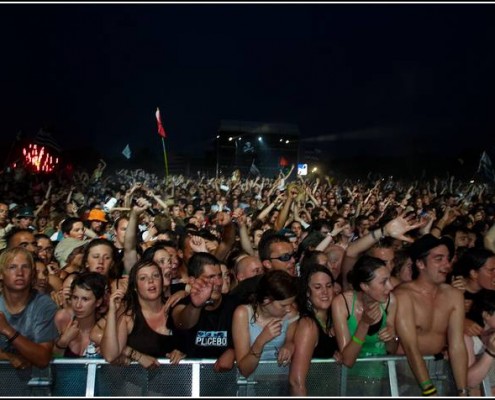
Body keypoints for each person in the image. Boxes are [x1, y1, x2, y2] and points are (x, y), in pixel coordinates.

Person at [394, 234, 468, 396]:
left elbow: (457, 345)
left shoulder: (454, 296)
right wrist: (428, 389)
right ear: (420, 263)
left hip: (439, 373)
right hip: (404, 377)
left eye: (448, 259)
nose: (446, 265)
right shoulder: (403, 296)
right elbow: (410, 346)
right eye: (438, 259)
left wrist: (462, 390)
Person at [331, 255, 398, 396]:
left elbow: (391, 350)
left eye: (389, 279)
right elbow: (347, 360)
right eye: (383, 282)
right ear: (365, 286)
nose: (391, 286)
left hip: (380, 379)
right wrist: (364, 324)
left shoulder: (390, 301)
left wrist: (393, 336)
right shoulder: (342, 303)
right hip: (349, 380)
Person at [100, 259, 185, 367]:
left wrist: (183, 351)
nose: (151, 281)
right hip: (135, 382)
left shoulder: (176, 307)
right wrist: (112, 311)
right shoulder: (128, 314)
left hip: (172, 380)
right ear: (135, 286)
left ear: (162, 281)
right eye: (143, 278)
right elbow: (110, 355)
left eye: (155, 276)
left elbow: (194, 342)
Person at [232, 270, 298, 395]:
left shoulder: (290, 314)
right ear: (266, 300)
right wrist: (261, 340)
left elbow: (292, 341)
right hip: (250, 384)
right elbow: (245, 369)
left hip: (281, 382)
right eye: (283, 305)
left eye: (291, 303)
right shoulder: (243, 314)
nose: (289, 309)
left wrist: (289, 346)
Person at [0, 247, 58, 369]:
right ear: (1, 273)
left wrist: (7, 330)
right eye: (12, 267)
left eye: (25, 267)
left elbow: (43, 358)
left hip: (37, 383)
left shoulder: (44, 305)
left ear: (32, 273)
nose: (20, 273)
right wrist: (7, 356)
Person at [289, 264, 339, 396]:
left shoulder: (334, 319)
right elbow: (296, 381)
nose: (325, 292)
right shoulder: (308, 325)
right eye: (318, 287)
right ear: (307, 292)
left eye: (329, 286)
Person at [53, 272, 107, 358]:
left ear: (98, 302)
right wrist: (63, 342)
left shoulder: (104, 331)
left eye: (85, 299)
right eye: (75, 297)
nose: (78, 305)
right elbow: (50, 363)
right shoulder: (62, 319)